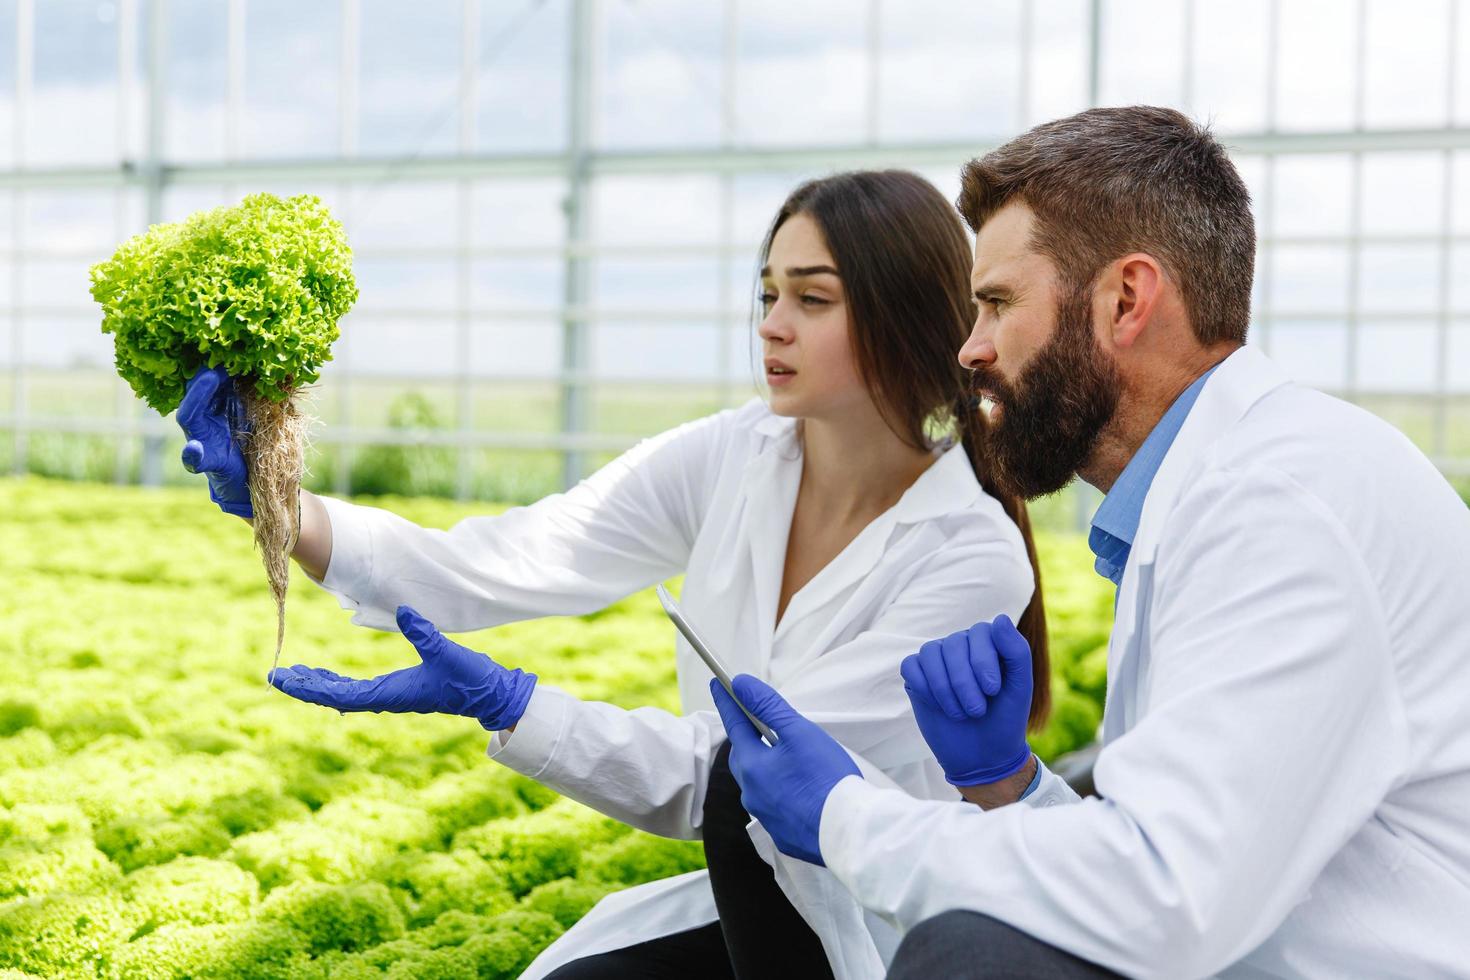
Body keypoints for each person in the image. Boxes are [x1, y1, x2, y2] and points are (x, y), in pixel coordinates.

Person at [176, 170, 1051, 979]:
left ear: (906, 318)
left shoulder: (967, 554)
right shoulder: (733, 456)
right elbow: (519, 554)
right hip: (749, 893)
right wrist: (286, 510)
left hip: (885, 931)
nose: (772, 325)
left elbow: (753, 774)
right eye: (768, 294)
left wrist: (513, 705)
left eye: (812, 299)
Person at [709, 106, 1470, 979]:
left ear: (1126, 300)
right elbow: (1171, 861)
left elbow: (1161, 901)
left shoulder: (1277, 504)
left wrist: (840, 814)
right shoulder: (1212, 488)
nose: (969, 349)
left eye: (996, 305)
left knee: (972, 955)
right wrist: (1007, 785)